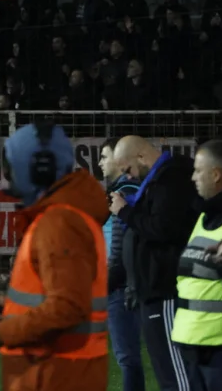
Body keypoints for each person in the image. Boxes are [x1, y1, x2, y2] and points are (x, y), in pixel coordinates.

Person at [0, 122, 108, 390]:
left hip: (56, 376)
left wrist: (2, 333)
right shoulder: (61, 216)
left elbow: (68, 307)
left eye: (14, 165)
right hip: (58, 374)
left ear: (38, 169)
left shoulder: (60, 222)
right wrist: (5, 308)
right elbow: (56, 297)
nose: (9, 174)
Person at [109, 135, 199, 391]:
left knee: (176, 376)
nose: (128, 177)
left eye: (128, 169)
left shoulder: (172, 180)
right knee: (167, 374)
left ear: (140, 156)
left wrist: (125, 211)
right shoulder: (157, 182)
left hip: (166, 289)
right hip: (152, 290)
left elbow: (162, 229)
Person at [171, 139, 222, 390]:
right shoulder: (204, 217)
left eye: (198, 171)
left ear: (216, 174)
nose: (193, 178)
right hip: (192, 341)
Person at [99, 137, 145, 391]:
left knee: (127, 357)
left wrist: (107, 281)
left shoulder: (124, 194)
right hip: (119, 282)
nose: (100, 163)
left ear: (119, 160)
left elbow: (120, 244)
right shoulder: (124, 192)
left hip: (119, 284)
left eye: (105, 157)